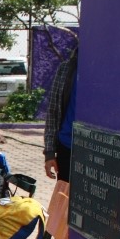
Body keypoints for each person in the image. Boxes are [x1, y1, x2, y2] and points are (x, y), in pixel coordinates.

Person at [44, 46, 78, 182]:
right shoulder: (66, 69)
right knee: (63, 200)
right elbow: (53, 112)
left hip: (96, 152)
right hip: (67, 146)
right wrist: (50, 153)